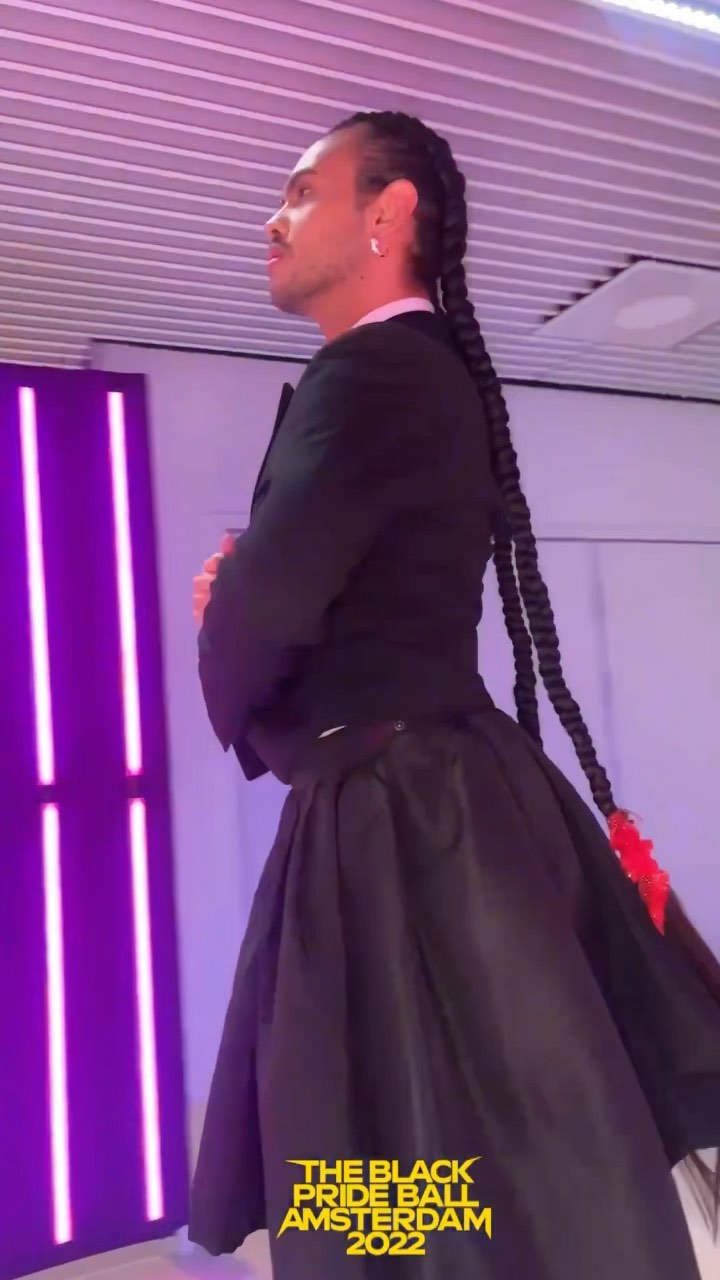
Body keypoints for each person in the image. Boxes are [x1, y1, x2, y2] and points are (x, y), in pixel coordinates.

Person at [189, 111, 720, 1279]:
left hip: (400, 810)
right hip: (439, 793)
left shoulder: (370, 372)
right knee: (497, 1134)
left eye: (301, 191)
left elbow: (266, 610)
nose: (273, 218)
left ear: (388, 216)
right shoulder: (419, 372)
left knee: (389, 1127)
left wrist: (224, 605)